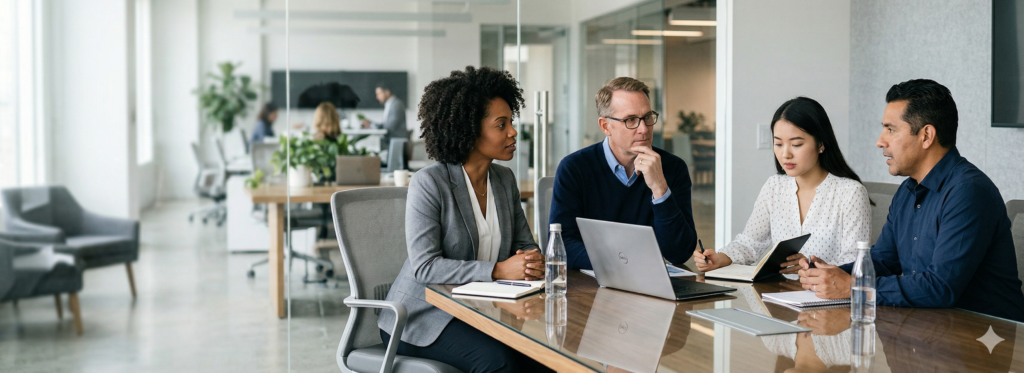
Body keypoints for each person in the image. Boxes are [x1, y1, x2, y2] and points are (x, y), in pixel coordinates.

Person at [797, 79, 1024, 322]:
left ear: (926, 135)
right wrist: (830, 275)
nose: (880, 141)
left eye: (891, 130)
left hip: (987, 337)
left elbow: (940, 288)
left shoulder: (969, 192)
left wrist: (853, 286)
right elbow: (884, 262)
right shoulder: (907, 191)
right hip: (930, 329)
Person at [377, 66, 552, 373]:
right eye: (502, 125)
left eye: (511, 122)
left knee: (544, 356)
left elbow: (525, 247)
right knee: (498, 363)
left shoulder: (504, 179)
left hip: (482, 308)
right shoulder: (430, 183)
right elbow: (425, 267)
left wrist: (531, 261)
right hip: (423, 315)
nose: (513, 132)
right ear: (469, 131)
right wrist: (498, 270)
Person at [694, 97, 871, 278]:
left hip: (828, 299)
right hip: (780, 295)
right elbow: (750, 243)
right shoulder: (774, 186)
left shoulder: (850, 193)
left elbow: (856, 262)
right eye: (778, 144)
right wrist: (721, 258)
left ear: (821, 144)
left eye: (796, 144)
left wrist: (812, 267)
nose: (785, 154)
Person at [549, 77, 697, 270]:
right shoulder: (574, 168)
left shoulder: (673, 168)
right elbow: (562, 243)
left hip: (650, 287)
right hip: (591, 287)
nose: (643, 129)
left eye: (647, 117)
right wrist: (624, 262)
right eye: (631, 120)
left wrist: (660, 189)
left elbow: (679, 252)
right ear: (605, 126)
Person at [361, 81, 408, 150]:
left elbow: (389, 127)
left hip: (395, 141)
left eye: (379, 94)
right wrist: (370, 124)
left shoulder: (396, 105)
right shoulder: (389, 104)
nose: (377, 97)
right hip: (390, 140)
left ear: (387, 92)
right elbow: (385, 125)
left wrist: (373, 126)